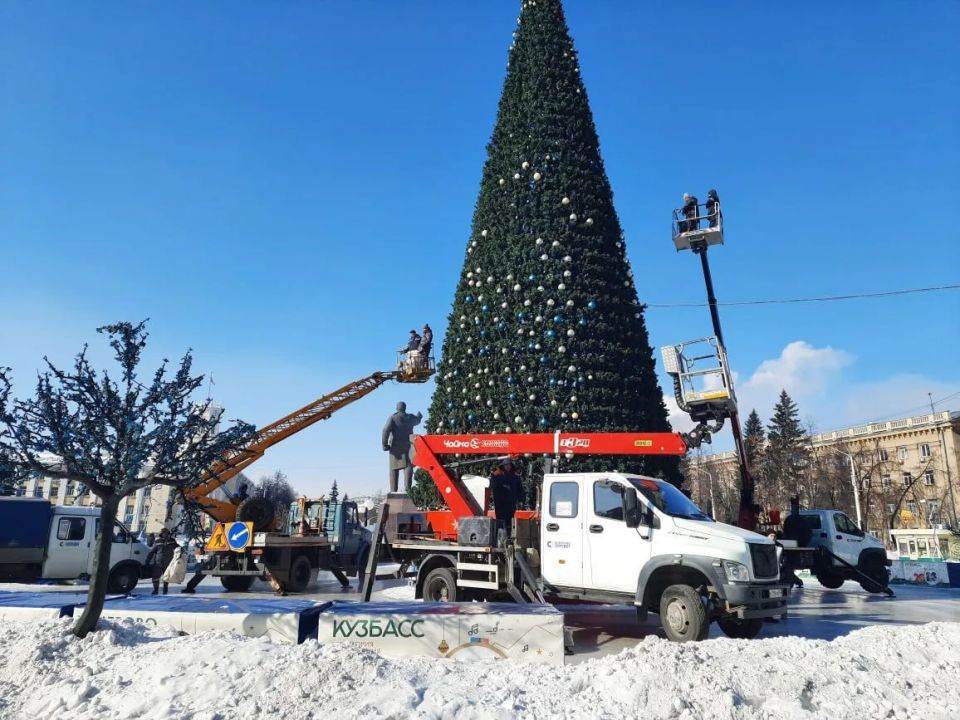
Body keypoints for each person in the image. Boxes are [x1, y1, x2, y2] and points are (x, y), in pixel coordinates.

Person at [381, 401, 422, 492]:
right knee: (408, 467)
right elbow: (417, 420)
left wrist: (384, 445)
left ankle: (393, 491)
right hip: (409, 446)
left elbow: (385, 430)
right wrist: (419, 416)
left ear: (397, 408)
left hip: (396, 447)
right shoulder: (410, 417)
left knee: (393, 469)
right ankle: (408, 491)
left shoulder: (393, 418)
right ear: (405, 408)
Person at [490, 459, 523, 537]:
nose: (507, 466)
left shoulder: (515, 477)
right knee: (501, 521)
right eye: (506, 465)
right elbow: (493, 487)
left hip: (511, 503)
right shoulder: (496, 475)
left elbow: (520, 489)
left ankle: (509, 536)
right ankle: (500, 537)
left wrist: (521, 500)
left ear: (511, 466)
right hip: (500, 503)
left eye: (509, 465)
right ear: (503, 466)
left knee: (510, 521)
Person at [145, 528, 178, 595]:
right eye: (163, 533)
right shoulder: (158, 541)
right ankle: (155, 590)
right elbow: (152, 552)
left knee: (166, 576)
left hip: (168, 562)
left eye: (166, 533)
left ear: (168, 533)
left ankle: (165, 589)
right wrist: (147, 560)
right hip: (158, 562)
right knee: (155, 577)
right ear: (161, 534)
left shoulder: (172, 541)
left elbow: (178, 549)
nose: (165, 534)